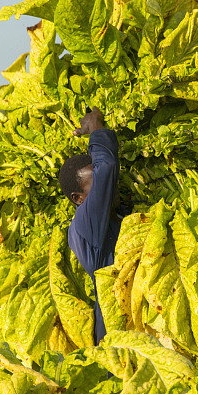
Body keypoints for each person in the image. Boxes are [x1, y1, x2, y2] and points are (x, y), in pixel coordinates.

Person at [58, 107, 126, 345]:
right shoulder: (84, 222)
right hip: (116, 327)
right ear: (78, 198)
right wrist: (95, 124)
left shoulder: (111, 215)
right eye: (95, 185)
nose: (106, 187)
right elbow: (106, 167)